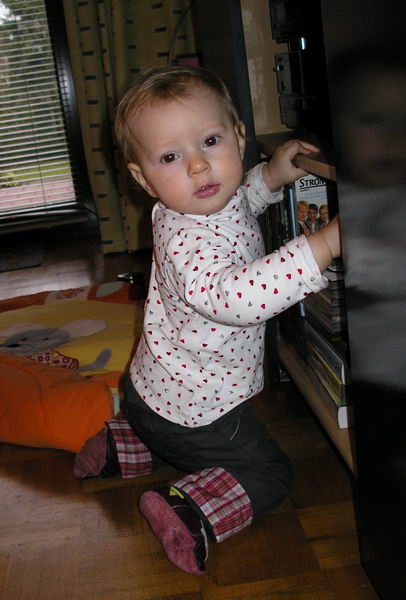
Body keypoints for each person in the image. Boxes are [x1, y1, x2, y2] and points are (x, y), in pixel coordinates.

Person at [74, 65, 341, 575]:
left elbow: (239, 201)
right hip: (199, 412)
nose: (199, 166)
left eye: (210, 142)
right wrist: (323, 245)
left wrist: (271, 176)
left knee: (170, 433)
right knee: (270, 472)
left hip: (152, 397)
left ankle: (125, 443)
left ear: (238, 139)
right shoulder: (187, 240)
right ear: (142, 177)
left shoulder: (191, 206)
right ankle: (188, 508)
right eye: (171, 157)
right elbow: (234, 297)